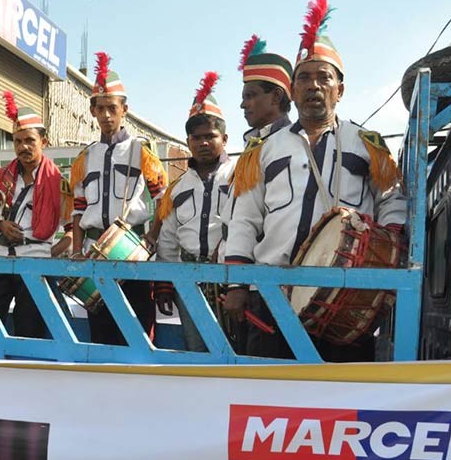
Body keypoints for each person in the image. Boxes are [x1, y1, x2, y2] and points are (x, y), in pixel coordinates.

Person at [223, 0, 407, 361]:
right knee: (269, 395)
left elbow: (392, 200)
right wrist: (237, 284)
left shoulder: (367, 144)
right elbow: (244, 217)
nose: (313, 85)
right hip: (272, 291)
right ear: (292, 90)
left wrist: (386, 260)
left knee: (338, 397)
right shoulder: (263, 149)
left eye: (324, 77)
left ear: (340, 89)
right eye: (304, 78)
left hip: (346, 292)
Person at [69, 52, 168, 345]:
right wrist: (76, 252)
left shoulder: (142, 152)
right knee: (100, 333)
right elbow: (77, 210)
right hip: (93, 253)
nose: (107, 115)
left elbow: (163, 199)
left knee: (137, 333)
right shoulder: (84, 158)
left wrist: (151, 236)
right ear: (92, 111)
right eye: (100, 108)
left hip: (132, 253)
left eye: (112, 108)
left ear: (125, 109)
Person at [217, 35, 294, 351]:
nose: (242, 103)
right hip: (250, 284)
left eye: (250, 95)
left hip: (271, 284)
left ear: (276, 97)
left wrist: (238, 284)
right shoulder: (255, 148)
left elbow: (252, 222)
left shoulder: (293, 144)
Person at [0, 92, 72, 338]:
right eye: (17, 141)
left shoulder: (58, 182)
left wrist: (49, 253)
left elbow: (72, 230)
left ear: (44, 142)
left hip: (35, 264)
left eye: (29, 140)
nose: (23, 147)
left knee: (30, 331)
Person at [154, 73, 233, 352]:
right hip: (188, 281)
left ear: (224, 138)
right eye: (196, 138)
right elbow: (168, 240)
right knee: (196, 351)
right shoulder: (176, 188)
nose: (203, 143)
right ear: (188, 141)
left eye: (210, 136)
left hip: (229, 281)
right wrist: (165, 286)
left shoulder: (240, 177)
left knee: (233, 352)